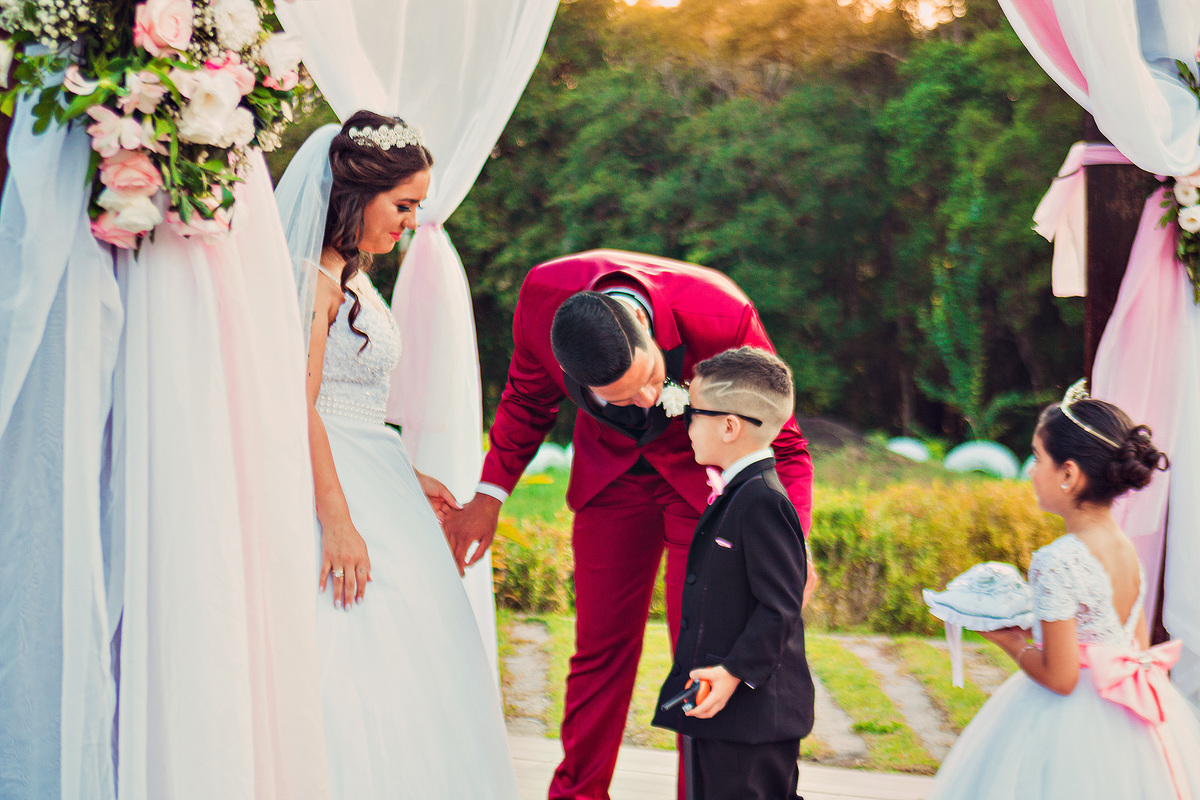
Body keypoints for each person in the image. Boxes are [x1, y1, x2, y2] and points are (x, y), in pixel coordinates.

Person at [442, 250, 815, 800]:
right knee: (599, 649)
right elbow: (526, 399)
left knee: (706, 653)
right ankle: (577, 793)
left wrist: (790, 547)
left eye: (651, 381)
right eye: (620, 397)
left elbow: (785, 444)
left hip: (704, 489)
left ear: (645, 327)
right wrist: (489, 494)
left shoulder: (722, 316)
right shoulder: (542, 299)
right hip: (608, 481)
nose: (645, 403)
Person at [274, 110, 519, 799]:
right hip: (334, 496)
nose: (411, 222)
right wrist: (338, 522)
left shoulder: (349, 278)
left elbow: (345, 406)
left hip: (374, 479)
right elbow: (297, 406)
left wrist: (406, 476)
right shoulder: (313, 282)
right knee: (351, 652)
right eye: (403, 205)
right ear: (357, 196)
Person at [927, 383, 1200, 800]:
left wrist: (1010, 640)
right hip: (1128, 717)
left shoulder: (1058, 559)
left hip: (1071, 722)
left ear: (1068, 474)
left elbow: (1062, 677)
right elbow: (1135, 645)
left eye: (1038, 458)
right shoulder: (1125, 546)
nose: (1032, 471)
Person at [652, 347, 815, 800]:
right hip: (718, 707)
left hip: (751, 716)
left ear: (729, 426)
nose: (686, 424)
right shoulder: (738, 492)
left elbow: (780, 606)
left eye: (693, 413)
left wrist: (733, 672)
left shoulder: (763, 500)